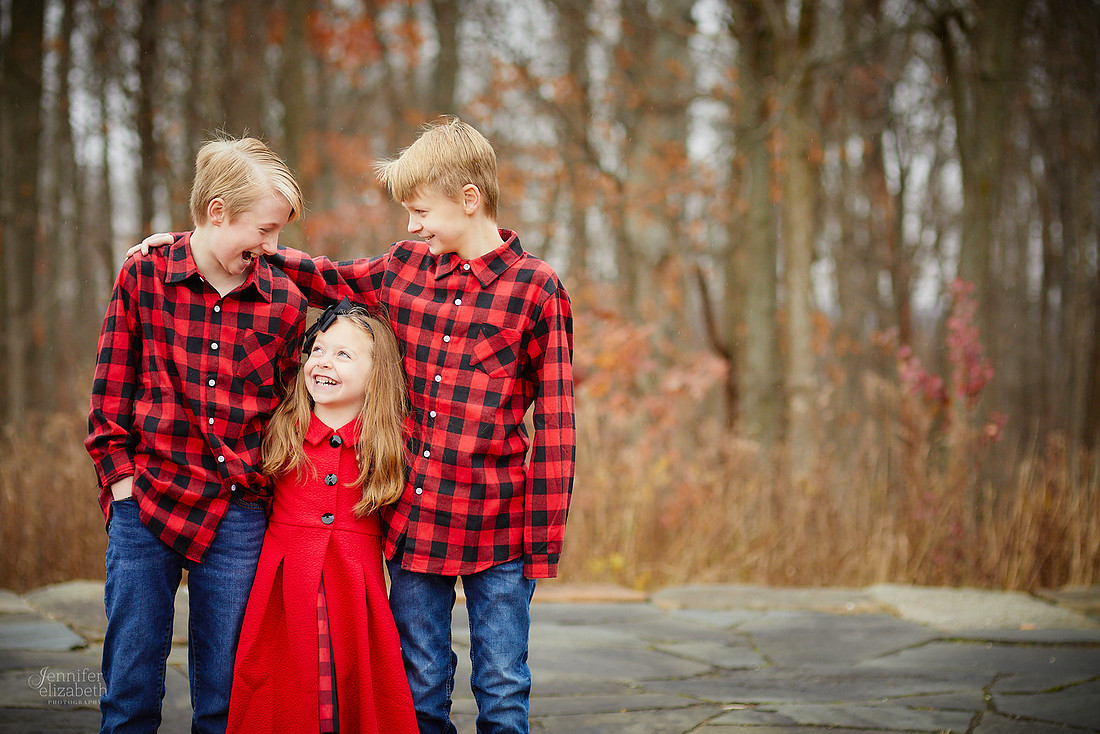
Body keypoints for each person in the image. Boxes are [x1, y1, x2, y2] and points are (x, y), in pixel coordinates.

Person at [137, 116, 576, 733]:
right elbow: (329, 276)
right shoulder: (403, 268)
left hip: (498, 526)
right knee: (421, 683)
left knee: (502, 684)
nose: (412, 225)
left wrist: (542, 541)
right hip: (417, 523)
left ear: (469, 198)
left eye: (420, 211)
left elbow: (556, 424)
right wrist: (203, 243)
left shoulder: (537, 289)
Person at [86, 136, 308, 734]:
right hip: (147, 501)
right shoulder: (144, 275)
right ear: (217, 211)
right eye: (265, 230)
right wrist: (120, 483)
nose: (273, 247)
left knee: (227, 695)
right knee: (129, 686)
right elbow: (110, 392)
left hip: (237, 514)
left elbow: (286, 411)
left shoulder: (284, 302)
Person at [227, 299, 418, 734]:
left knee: (352, 688)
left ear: (377, 373)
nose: (324, 362)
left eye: (343, 354)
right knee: (283, 692)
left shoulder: (388, 443)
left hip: (355, 591)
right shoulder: (281, 430)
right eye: (318, 350)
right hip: (285, 589)